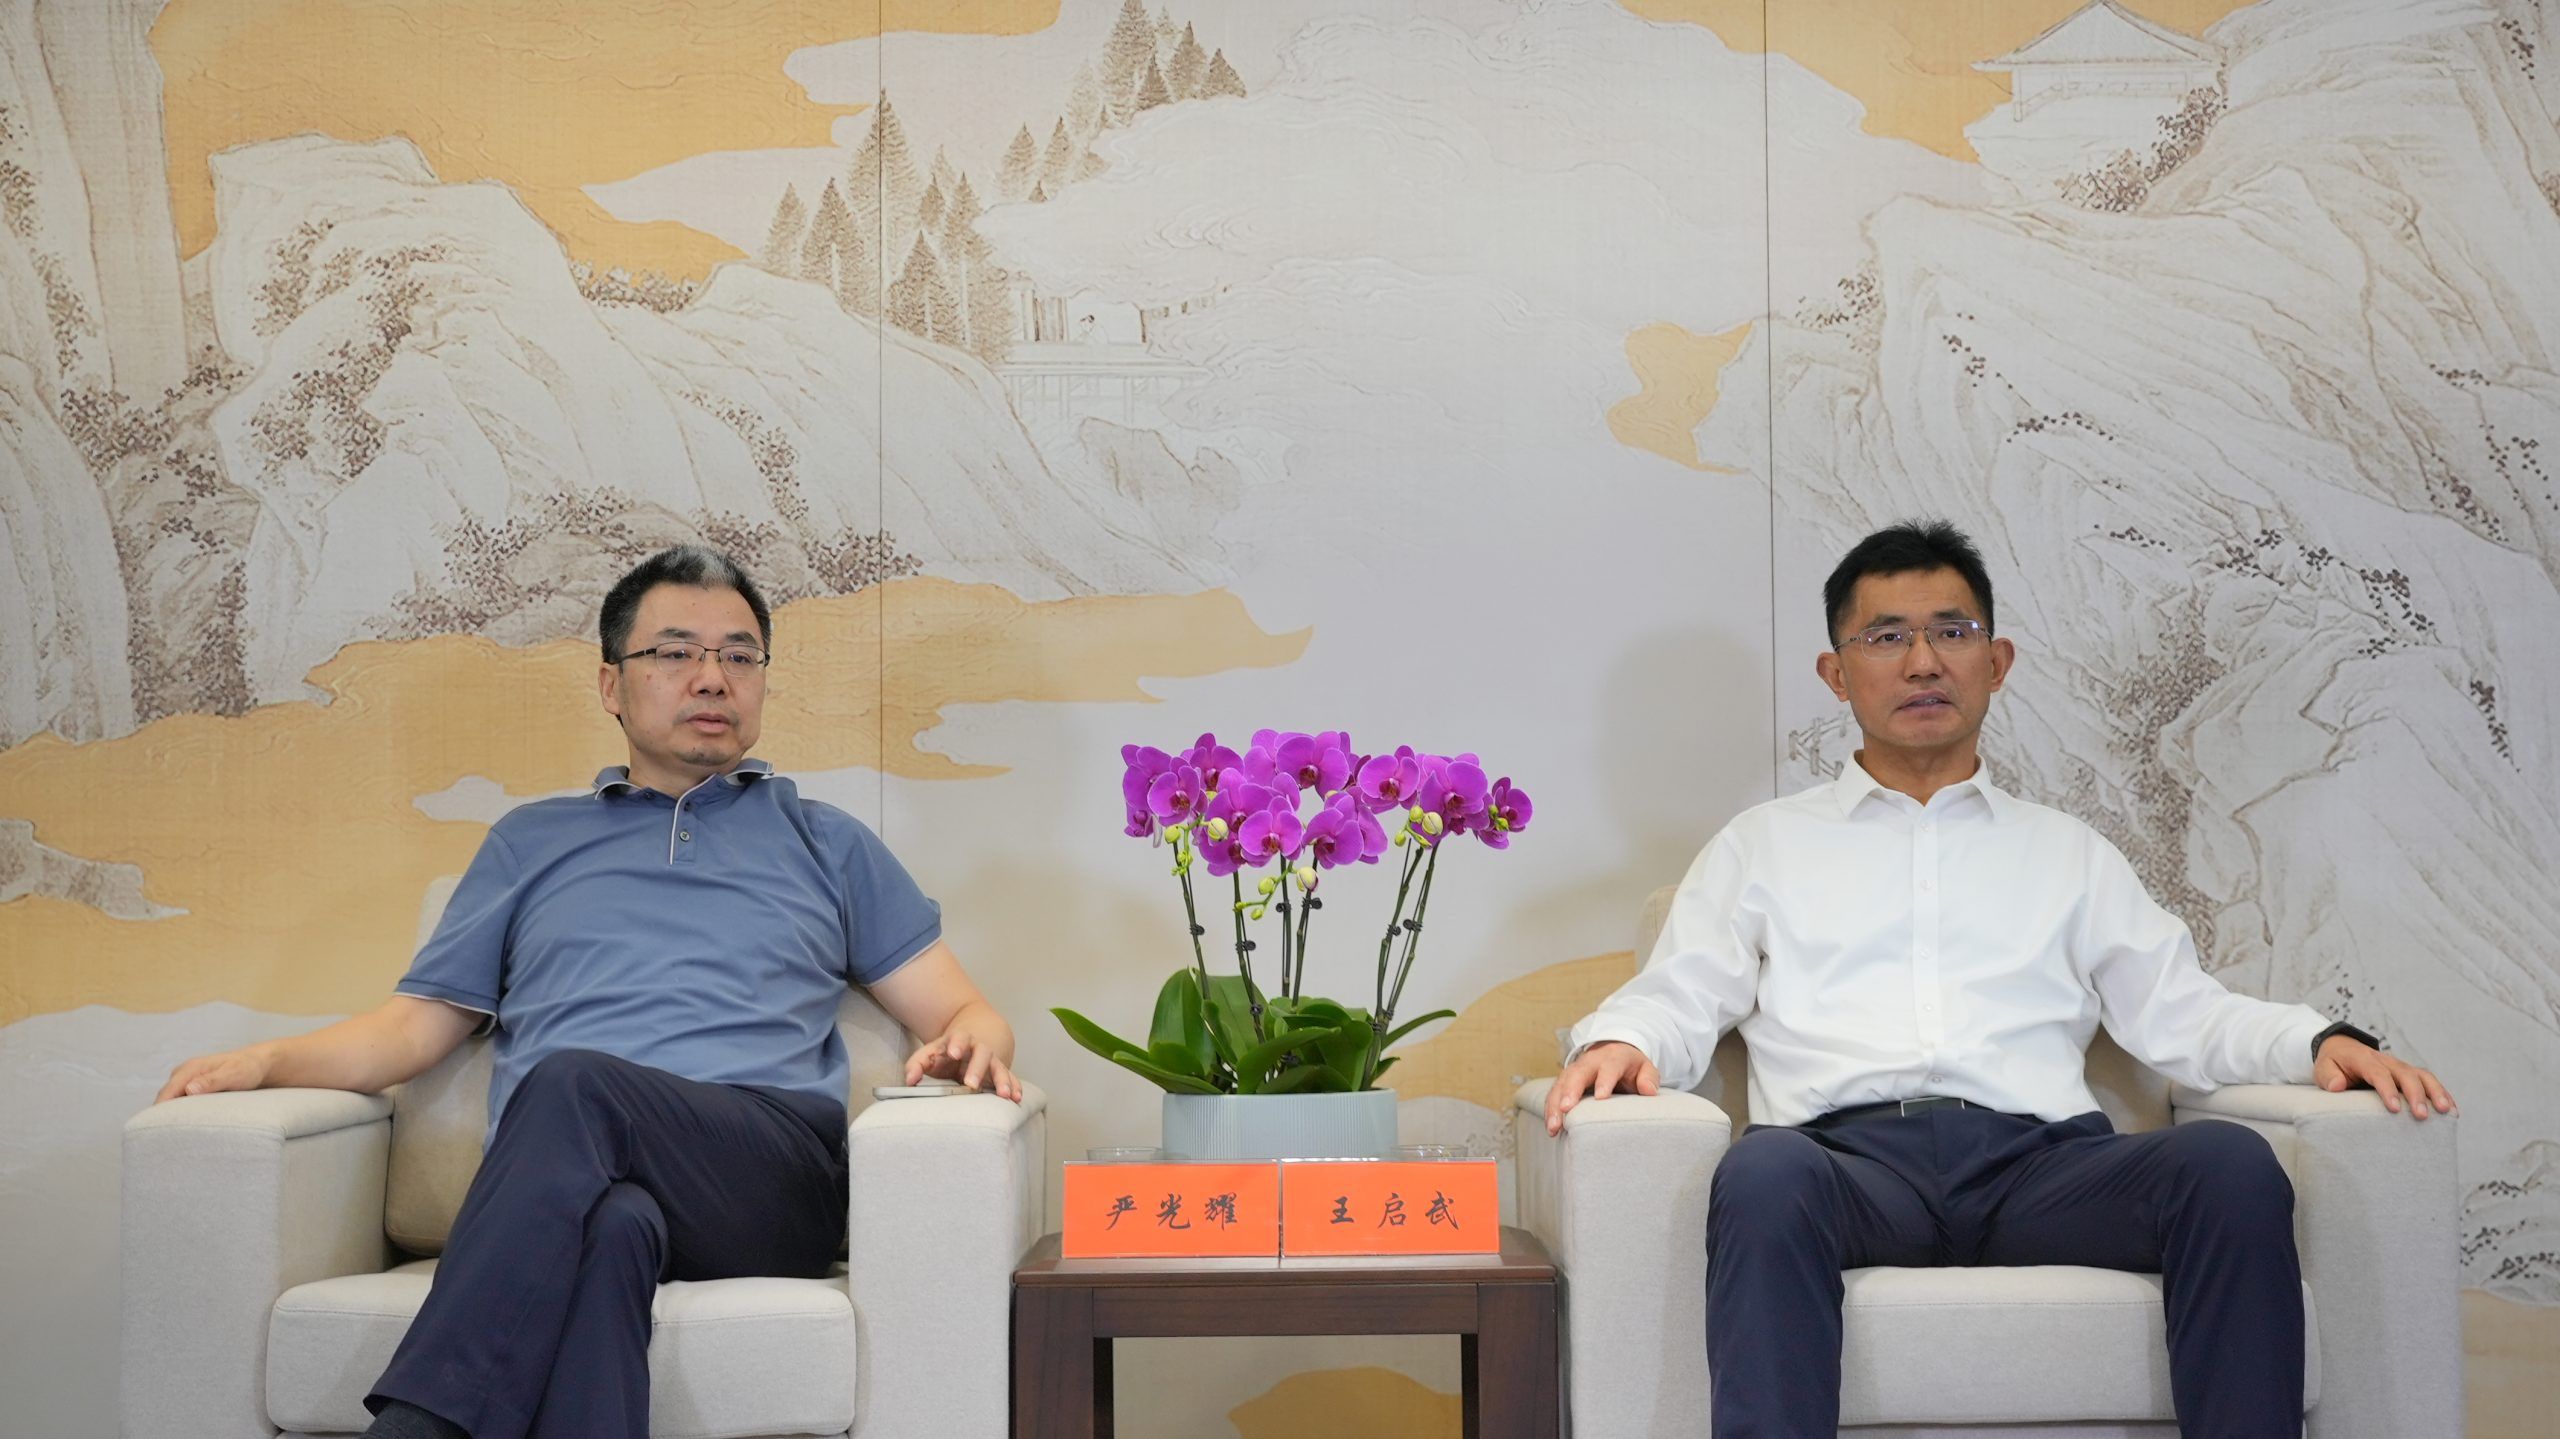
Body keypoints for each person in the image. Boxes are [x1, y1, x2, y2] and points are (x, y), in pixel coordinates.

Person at [1544, 521, 2453, 1439]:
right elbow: (1680, 990)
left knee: (2226, 1164)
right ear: (1836, 673)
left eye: (1952, 630)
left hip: (2042, 1169)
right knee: (1762, 1172)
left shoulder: (2069, 853)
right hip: (1847, 1169)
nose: (1923, 661)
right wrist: (1621, 1039)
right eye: (1886, 636)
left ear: (1997, 660)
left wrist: (2317, 1041)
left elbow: (2185, 1013)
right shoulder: (1763, 846)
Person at [153, 544, 1021, 1439]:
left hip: (765, 1176)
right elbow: (412, 1028)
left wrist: (976, 1042)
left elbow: (965, 1011)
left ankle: (417, 1424)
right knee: (613, 1225)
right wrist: (268, 1059)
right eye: (676, 652)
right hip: (571, 1179)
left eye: (739, 655)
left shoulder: (826, 841)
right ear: (612, 684)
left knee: (571, 1081)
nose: (712, 677)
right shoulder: (530, 842)